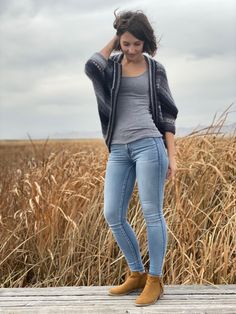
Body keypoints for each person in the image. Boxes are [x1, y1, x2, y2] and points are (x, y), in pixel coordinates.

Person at [84, 9, 178, 307]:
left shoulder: (155, 69)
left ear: (146, 43)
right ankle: (136, 273)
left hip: (150, 144)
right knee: (112, 213)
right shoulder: (109, 66)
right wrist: (118, 32)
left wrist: (172, 156)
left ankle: (155, 279)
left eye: (138, 44)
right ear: (119, 42)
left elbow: (168, 115)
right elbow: (90, 65)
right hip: (120, 150)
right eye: (127, 43)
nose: (133, 50)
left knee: (152, 212)